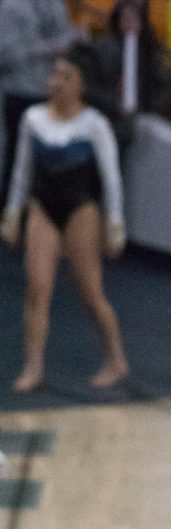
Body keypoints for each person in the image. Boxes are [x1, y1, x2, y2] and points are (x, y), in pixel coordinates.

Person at [1, 44, 128, 392]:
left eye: (65, 76)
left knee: (90, 293)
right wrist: (12, 215)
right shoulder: (34, 119)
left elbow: (111, 177)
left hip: (81, 210)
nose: (55, 82)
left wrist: (115, 225)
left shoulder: (94, 125)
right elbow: (22, 171)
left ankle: (115, 358)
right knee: (37, 289)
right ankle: (33, 366)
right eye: (54, 74)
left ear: (81, 84)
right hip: (43, 208)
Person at [0, 0, 76, 204]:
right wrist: (46, 49)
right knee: (16, 161)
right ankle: (10, 215)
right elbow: (5, 54)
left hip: (51, 95)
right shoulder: (13, 8)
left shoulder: (58, 7)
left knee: (46, 162)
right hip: (19, 94)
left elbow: (66, 41)